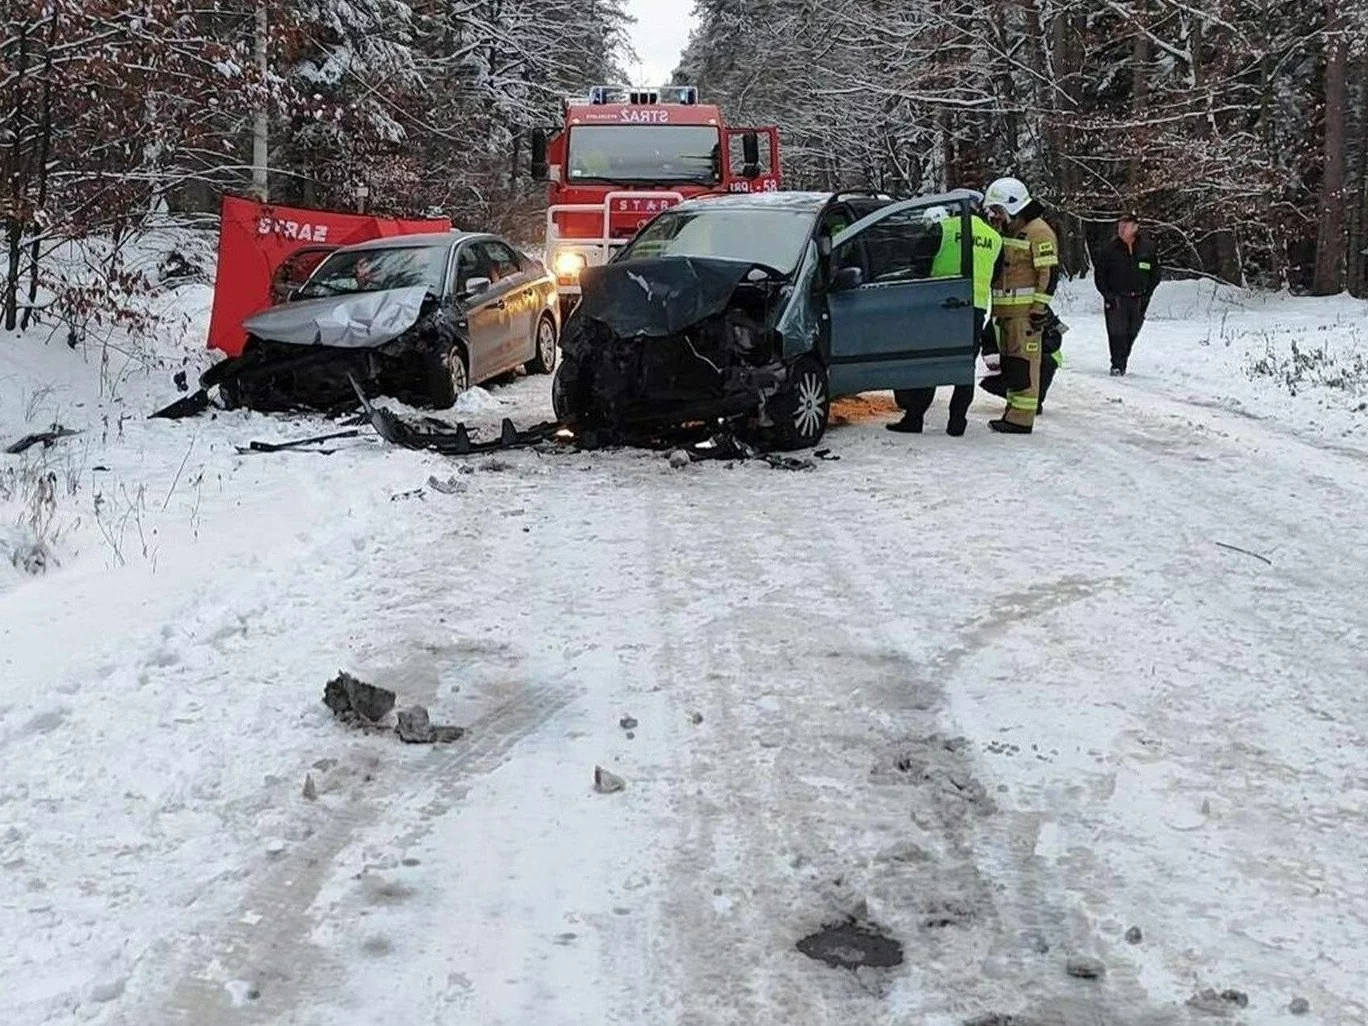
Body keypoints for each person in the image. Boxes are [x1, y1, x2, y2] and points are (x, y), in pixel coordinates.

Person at [887, 202, 1003, 436]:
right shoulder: (994, 238)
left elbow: (918, 261)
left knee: (930, 361)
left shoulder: (944, 229)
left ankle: (914, 418)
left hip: (939, 303)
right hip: (974, 307)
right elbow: (997, 274)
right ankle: (957, 422)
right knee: (964, 365)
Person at [983, 176, 1059, 434]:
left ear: (1013, 206)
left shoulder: (1039, 232)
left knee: (1025, 365)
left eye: (999, 210)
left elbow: (1048, 275)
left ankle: (1022, 418)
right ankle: (1013, 412)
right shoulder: (1011, 230)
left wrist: (1038, 309)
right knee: (1013, 365)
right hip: (1007, 314)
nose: (997, 215)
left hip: (1025, 315)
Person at [1094, 213, 1159, 375]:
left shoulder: (1147, 248)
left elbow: (1155, 273)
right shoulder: (1109, 250)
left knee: (1132, 331)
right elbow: (1100, 275)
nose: (1122, 229)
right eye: (1120, 226)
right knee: (1117, 332)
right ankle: (1117, 363)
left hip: (1138, 297)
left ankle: (1123, 358)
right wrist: (1107, 295)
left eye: (1126, 226)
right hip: (1117, 297)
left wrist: (1147, 293)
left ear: (1135, 227)